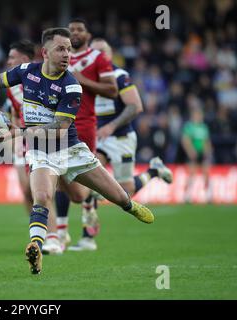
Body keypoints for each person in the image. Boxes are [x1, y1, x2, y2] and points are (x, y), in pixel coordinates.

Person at [0, 27, 154, 275]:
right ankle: (37, 246)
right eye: (61, 49)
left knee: (116, 197)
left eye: (69, 50)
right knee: (41, 197)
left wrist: (18, 131)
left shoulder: (71, 85)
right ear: (45, 52)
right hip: (42, 153)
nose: (67, 54)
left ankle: (130, 206)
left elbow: (59, 128)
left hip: (73, 152)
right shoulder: (27, 72)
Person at [66, 38, 174, 251]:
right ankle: (88, 237)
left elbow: (135, 107)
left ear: (108, 55)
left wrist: (112, 126)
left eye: (101, 53)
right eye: (92, 53)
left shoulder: (119, 76)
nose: (96, 57)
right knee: (91, 179)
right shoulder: (82, 79)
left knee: (125, 191)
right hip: (98, 138)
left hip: (121, 137)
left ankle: (153, 171)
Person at [43, 18, 119, 254]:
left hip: (84, 124)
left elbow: (112, 90)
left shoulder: (98, 58)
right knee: (58, 176)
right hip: (57, 123)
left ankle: (88, 235)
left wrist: (82, 80)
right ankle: (62, 232)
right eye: (71, 29)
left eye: (80, 29)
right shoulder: (58, 57)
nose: (75, 32)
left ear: (87, 34)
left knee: (80, 177)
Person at [3, 40, 36, 214]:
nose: (8, 62)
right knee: (27, 191)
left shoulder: (41, 80)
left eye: (12, 58)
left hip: (44, 140)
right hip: (22, 141)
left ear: (23, 59)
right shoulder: (12, 86)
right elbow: (16, 114)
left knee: (40, 192)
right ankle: (38, 234)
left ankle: (57, 231)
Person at [181, 107, 213, 203]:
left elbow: (207, 141)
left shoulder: (204, 127)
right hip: (193, 153)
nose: (198, 117)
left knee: (206, 173)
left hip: (202, 153)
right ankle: (186, 196)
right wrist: (190, 151)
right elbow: (185, 140)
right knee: (191, 174)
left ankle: (208, 195)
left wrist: (208, 151)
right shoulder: (189, 127)